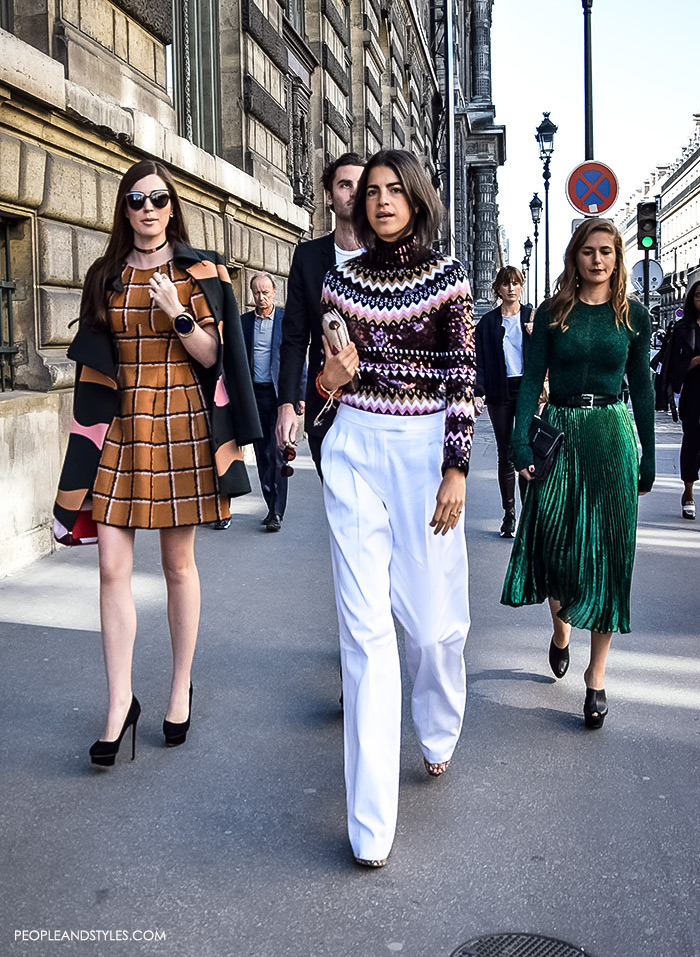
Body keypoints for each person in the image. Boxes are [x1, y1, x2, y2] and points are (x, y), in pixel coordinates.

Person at [53, 160, 261, 766]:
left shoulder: (200, 271)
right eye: (136, 199)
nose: (147, 208)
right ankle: (120, 704)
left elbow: (214, 355)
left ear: (172, 207)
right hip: (120, 427)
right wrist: (77, 458)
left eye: (158, 199)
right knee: (112, 567)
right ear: (124, 209)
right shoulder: (106, 277)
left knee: (177, 566)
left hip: (181, 426)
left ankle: (178, 689)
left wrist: (178, 311)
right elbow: (92, 372)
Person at [318, 149, 475, 867]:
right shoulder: (339, 279)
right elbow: (327, 376)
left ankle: (437, 726)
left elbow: (462, 377)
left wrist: (456, 467)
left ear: (415, 197)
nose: (379, 200)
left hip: (423, 455)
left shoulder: (447, 279)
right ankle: (370, 823)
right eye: (369, 191)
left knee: (433, 625)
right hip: (355, 446)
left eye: (392, 189)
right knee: (366, 632)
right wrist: (331, 376)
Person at [501, 218, 655, 730]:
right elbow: (528, 384)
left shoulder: (633, 316)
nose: (597, 260)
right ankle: (561, 629)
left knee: (608, 554)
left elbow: (644, 388)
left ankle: (596, 677)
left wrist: (649, 453)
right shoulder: (552, 313)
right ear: (576, 256)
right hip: (561, 432)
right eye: (588, 251)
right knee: (558, 546)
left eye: (606, 251)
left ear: (617, 258)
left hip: (611, 435)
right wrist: (519, 440)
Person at [275, 153, 366, 477]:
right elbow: (294, 338)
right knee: (340, 514)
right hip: (324, 403)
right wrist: (287, 403)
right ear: (329, 195)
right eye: (344, 185)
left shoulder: (390, 259)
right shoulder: (309, 257)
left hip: (380, 410)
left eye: (362, 186)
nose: (353, 193)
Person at [241, 272, 307, 532]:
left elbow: (297, 359)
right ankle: (270, 505)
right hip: (255, 396)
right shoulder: (244, 323)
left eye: (266, 292)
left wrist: (299, 396)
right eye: (257, 292)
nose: (261, 297)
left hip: (280, 398)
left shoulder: (284, 321)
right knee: (262, 455)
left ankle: (277, 512)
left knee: (279, 453)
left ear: (274, 292)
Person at [474, 266, 534, 537]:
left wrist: (536, 334)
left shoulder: (533, 317)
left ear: (521, 286)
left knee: (525, 451)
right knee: (505, 453)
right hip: (500, 392)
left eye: (515, 283)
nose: (511, 288)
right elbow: (480, 362)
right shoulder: (487, 324)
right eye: (506, 284)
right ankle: (509, 515)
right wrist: (478, 391)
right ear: (497, 288)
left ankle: (529, 514)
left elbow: (550, 351)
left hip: (527, 390)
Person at [658, 281, 700, 518]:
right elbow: (672, 365)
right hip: (693, 391)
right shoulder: (683, 328)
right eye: (698, 296)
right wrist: (693, 362)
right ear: (691, 299)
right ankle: (688, 491)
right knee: (693, 440)